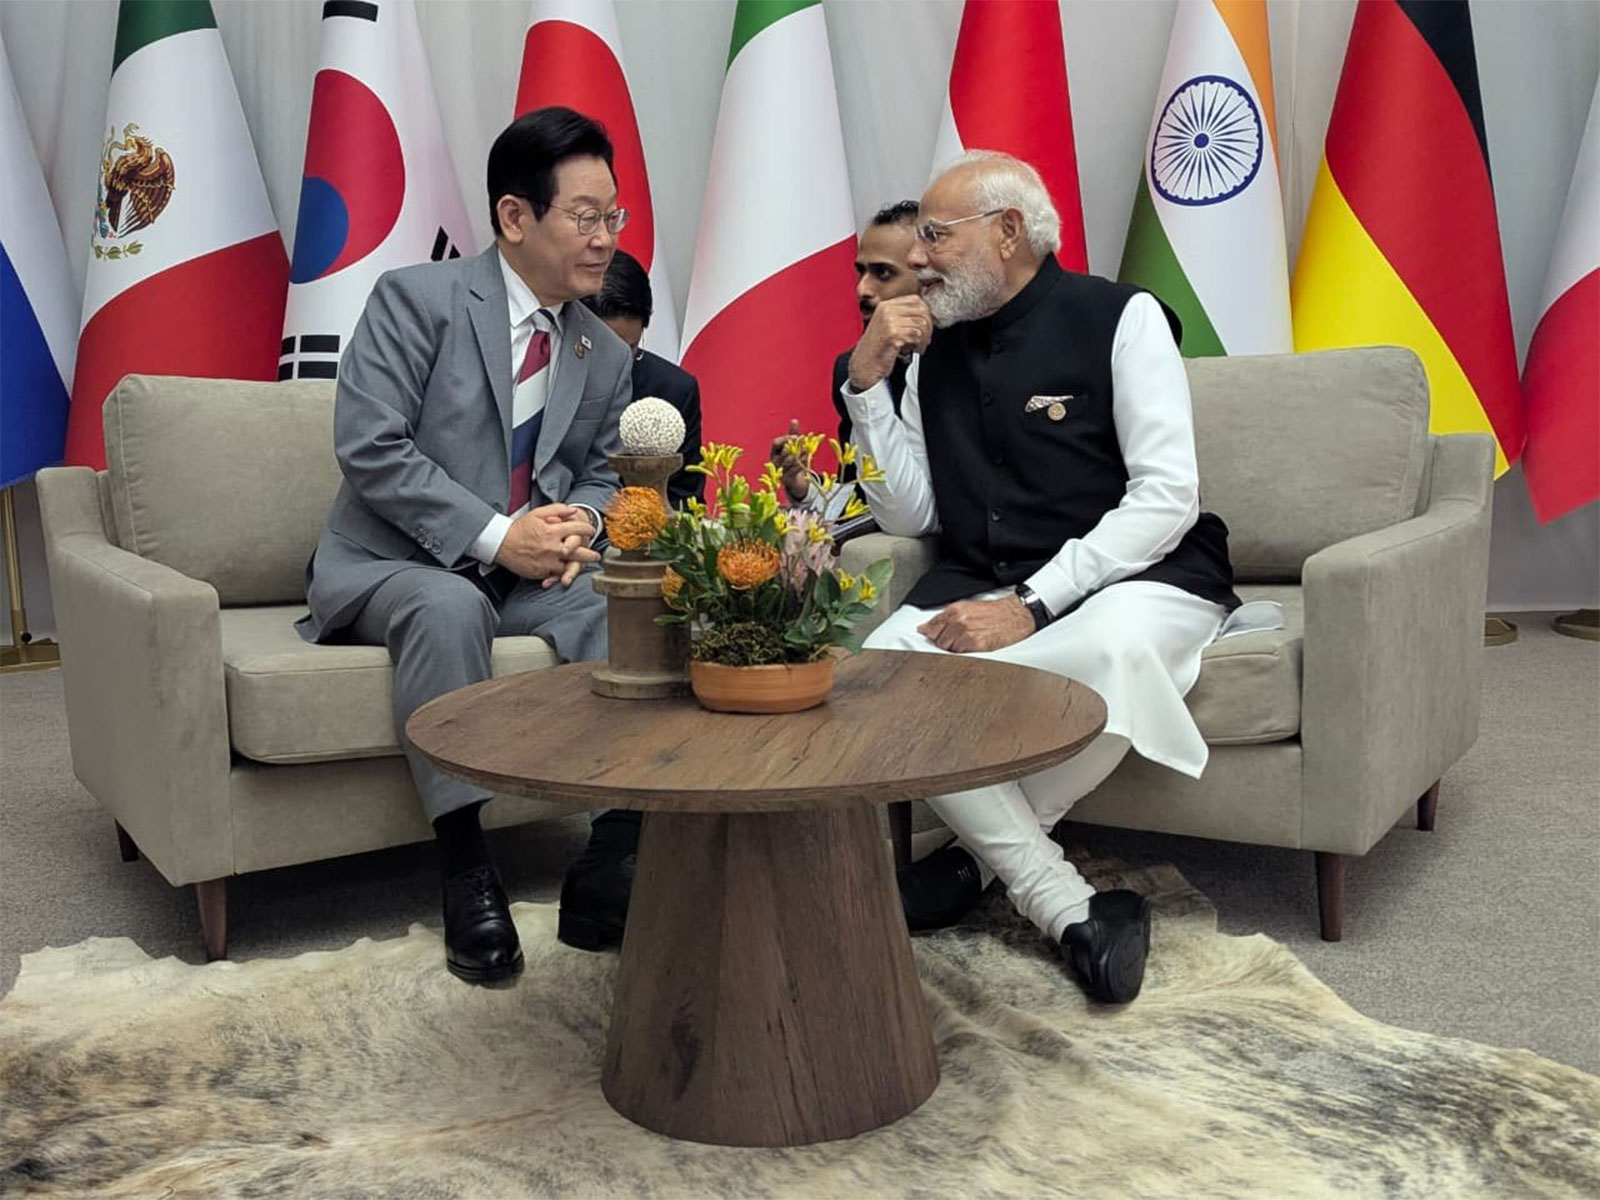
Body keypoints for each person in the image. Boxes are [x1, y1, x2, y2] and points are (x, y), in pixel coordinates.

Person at [843, 151, 1241, 1005]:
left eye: (936, 238)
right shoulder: (929, 347)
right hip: (979, 576)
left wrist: (1031, 604)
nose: (917, 260)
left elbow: (1167, 498)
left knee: (1116, 644)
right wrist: (866, 384)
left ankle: (977, 868)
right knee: (880, 677)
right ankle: (1068, 905)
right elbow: (911, 517)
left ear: (1009, 232)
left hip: (1139, 573)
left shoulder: (1121, 317)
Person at [296, 107, 644, 985]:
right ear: (515, 217)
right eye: (585, 215)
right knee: (447, 602)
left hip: (523, 574)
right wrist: (500, 535)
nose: (605, 238)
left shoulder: (601, 349)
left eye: (616, 216)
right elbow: (372, 447)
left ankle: (612, 856)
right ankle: (466, 866)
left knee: (629, 599)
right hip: (394, 564)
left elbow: (602, 472)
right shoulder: (419, 299)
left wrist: (583, 525)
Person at [772, 200, 919, 511]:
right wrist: (804, 487)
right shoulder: (852, 369)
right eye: (861, 272)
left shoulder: (966, 361)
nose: (863, 289)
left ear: (928, 276)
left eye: (883, 273)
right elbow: (867, 497)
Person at [580, 249, 703, 507]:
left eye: (629, 350)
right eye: (604, 351)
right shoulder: (544, 379)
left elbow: (686, 502)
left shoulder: (675, 391)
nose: (617, 365)